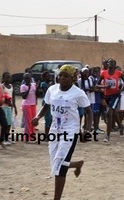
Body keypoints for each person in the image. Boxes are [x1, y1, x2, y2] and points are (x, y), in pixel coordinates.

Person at [32, 64, 93, 200]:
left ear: (72, 78)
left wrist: (87, 130)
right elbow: (46, 106)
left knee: (59, 166)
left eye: (66, 76)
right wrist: (37, 117)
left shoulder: (78, 93)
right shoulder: (52, 90)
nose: (62, 78)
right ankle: (76, 164)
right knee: (56, 162)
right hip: (55, 129)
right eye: (60, 75)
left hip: (70, 130)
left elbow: (89, 112)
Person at [97, 58, 124, 143]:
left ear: (115, 65)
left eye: (112, 63)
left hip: (116, 95)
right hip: (107, 95)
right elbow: (97, 85)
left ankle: (107, 135)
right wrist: (104, 87)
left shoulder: (119, 73)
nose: (110, 64)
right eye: (109, 63)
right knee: (114, 113)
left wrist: (121, 90)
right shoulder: (103, 73)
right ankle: (121, 126)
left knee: (109, 113)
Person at [2, 72, 18, 145]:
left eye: (9, 77)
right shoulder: (2, 86)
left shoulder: (11, 86)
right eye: (6, 77)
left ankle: (7, 138)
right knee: (4, 123)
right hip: (3, 107)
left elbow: (13, 97)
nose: (8, 79)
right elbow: (1, 96)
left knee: (9, 123)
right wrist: (6, 102)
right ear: (3, 78)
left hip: (10, 107)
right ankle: (3, 139)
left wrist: (14, 106)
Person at [20, 73, 37, 142]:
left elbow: (36, 94)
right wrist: (28, 88)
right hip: (26, 105)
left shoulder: (33, 85)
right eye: (26, 78)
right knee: (28, 121)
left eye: (29, 78)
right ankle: (30, 138)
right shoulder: (23, 86)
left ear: (31, 78)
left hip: (33, 104)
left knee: (33, 121)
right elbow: (24, 97)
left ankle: (28, 137)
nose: (28, 79)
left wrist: (37, 88)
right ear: (24, 79)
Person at [40, 71, 53, 137]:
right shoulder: (43, 84)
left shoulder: (50, 84)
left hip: (51, 102)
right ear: (44, 77)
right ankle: (46, 135)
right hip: (46, 102)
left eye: (50, 75)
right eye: (48, 76)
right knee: (48, 119)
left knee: (51, 119)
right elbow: (47, 92)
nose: (49, 77)